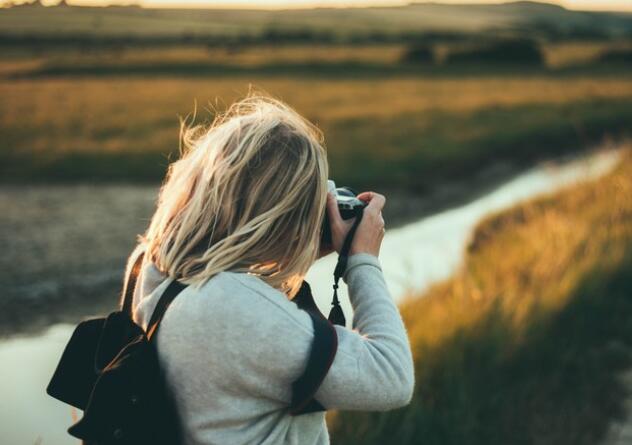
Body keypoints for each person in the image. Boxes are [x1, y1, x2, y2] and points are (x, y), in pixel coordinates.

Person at [125, 93, 414, 445]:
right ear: (278, 210)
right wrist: (362, 261)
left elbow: (242, 361)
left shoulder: (154, 268)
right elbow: (391, 377)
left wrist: (297, 248)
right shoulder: (231, 306)